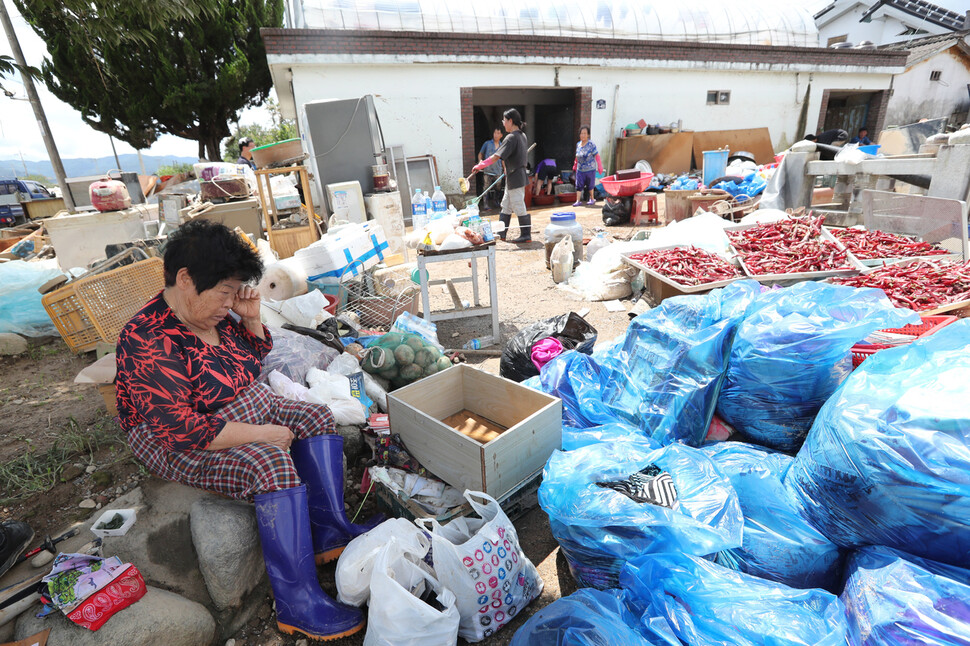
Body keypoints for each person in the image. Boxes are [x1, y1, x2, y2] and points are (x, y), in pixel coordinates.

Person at [115, 220, 377, 641]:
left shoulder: (215, 313)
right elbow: (186, 431)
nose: (229, 302)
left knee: (317, 417)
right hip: (178, 439)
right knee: (270, 461)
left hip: (244, 406)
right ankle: (297, 602)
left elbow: (249, 363)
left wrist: (251, 319)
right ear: (185, 280)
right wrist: (263, 433)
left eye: (236, 292)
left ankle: (328, 532)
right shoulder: (147, 340)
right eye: (224, 292)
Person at [472, 108, 532, 243]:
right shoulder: (522, 135)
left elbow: (495, 157)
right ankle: (501, 233)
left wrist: (479, 166)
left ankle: (526, 234)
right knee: (506, 205)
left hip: (515, 176)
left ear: (510, 121)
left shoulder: (511, 137)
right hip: (515, 175)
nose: (503, 123)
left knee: (518, 205)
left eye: (504, 120)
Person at [572, 125, 604, 206]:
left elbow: (597, 155)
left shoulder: (591, 144)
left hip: (590, 169)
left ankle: (592, 199)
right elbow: (577, 156)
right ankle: (578, 201)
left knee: (590, 185)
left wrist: (600, 165)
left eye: (585, 133)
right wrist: (575, 165)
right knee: (578, 185)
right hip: (580, 169)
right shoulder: (578, 144)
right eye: (581, 133)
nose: (583, 135)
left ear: (588, 135)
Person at [478, 127, 505, 210]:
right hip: (488, 170)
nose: (495, 135)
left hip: (498, 171)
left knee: (498, 187)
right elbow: (480, 154)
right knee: (486, 188)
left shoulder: (502, 146)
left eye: (498, 133)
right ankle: (486, 204)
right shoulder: (487, 144)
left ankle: (495, 200)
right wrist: (480, 162)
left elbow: (503, 159)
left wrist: (505, 169)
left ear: (501, 135)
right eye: (495, 133)